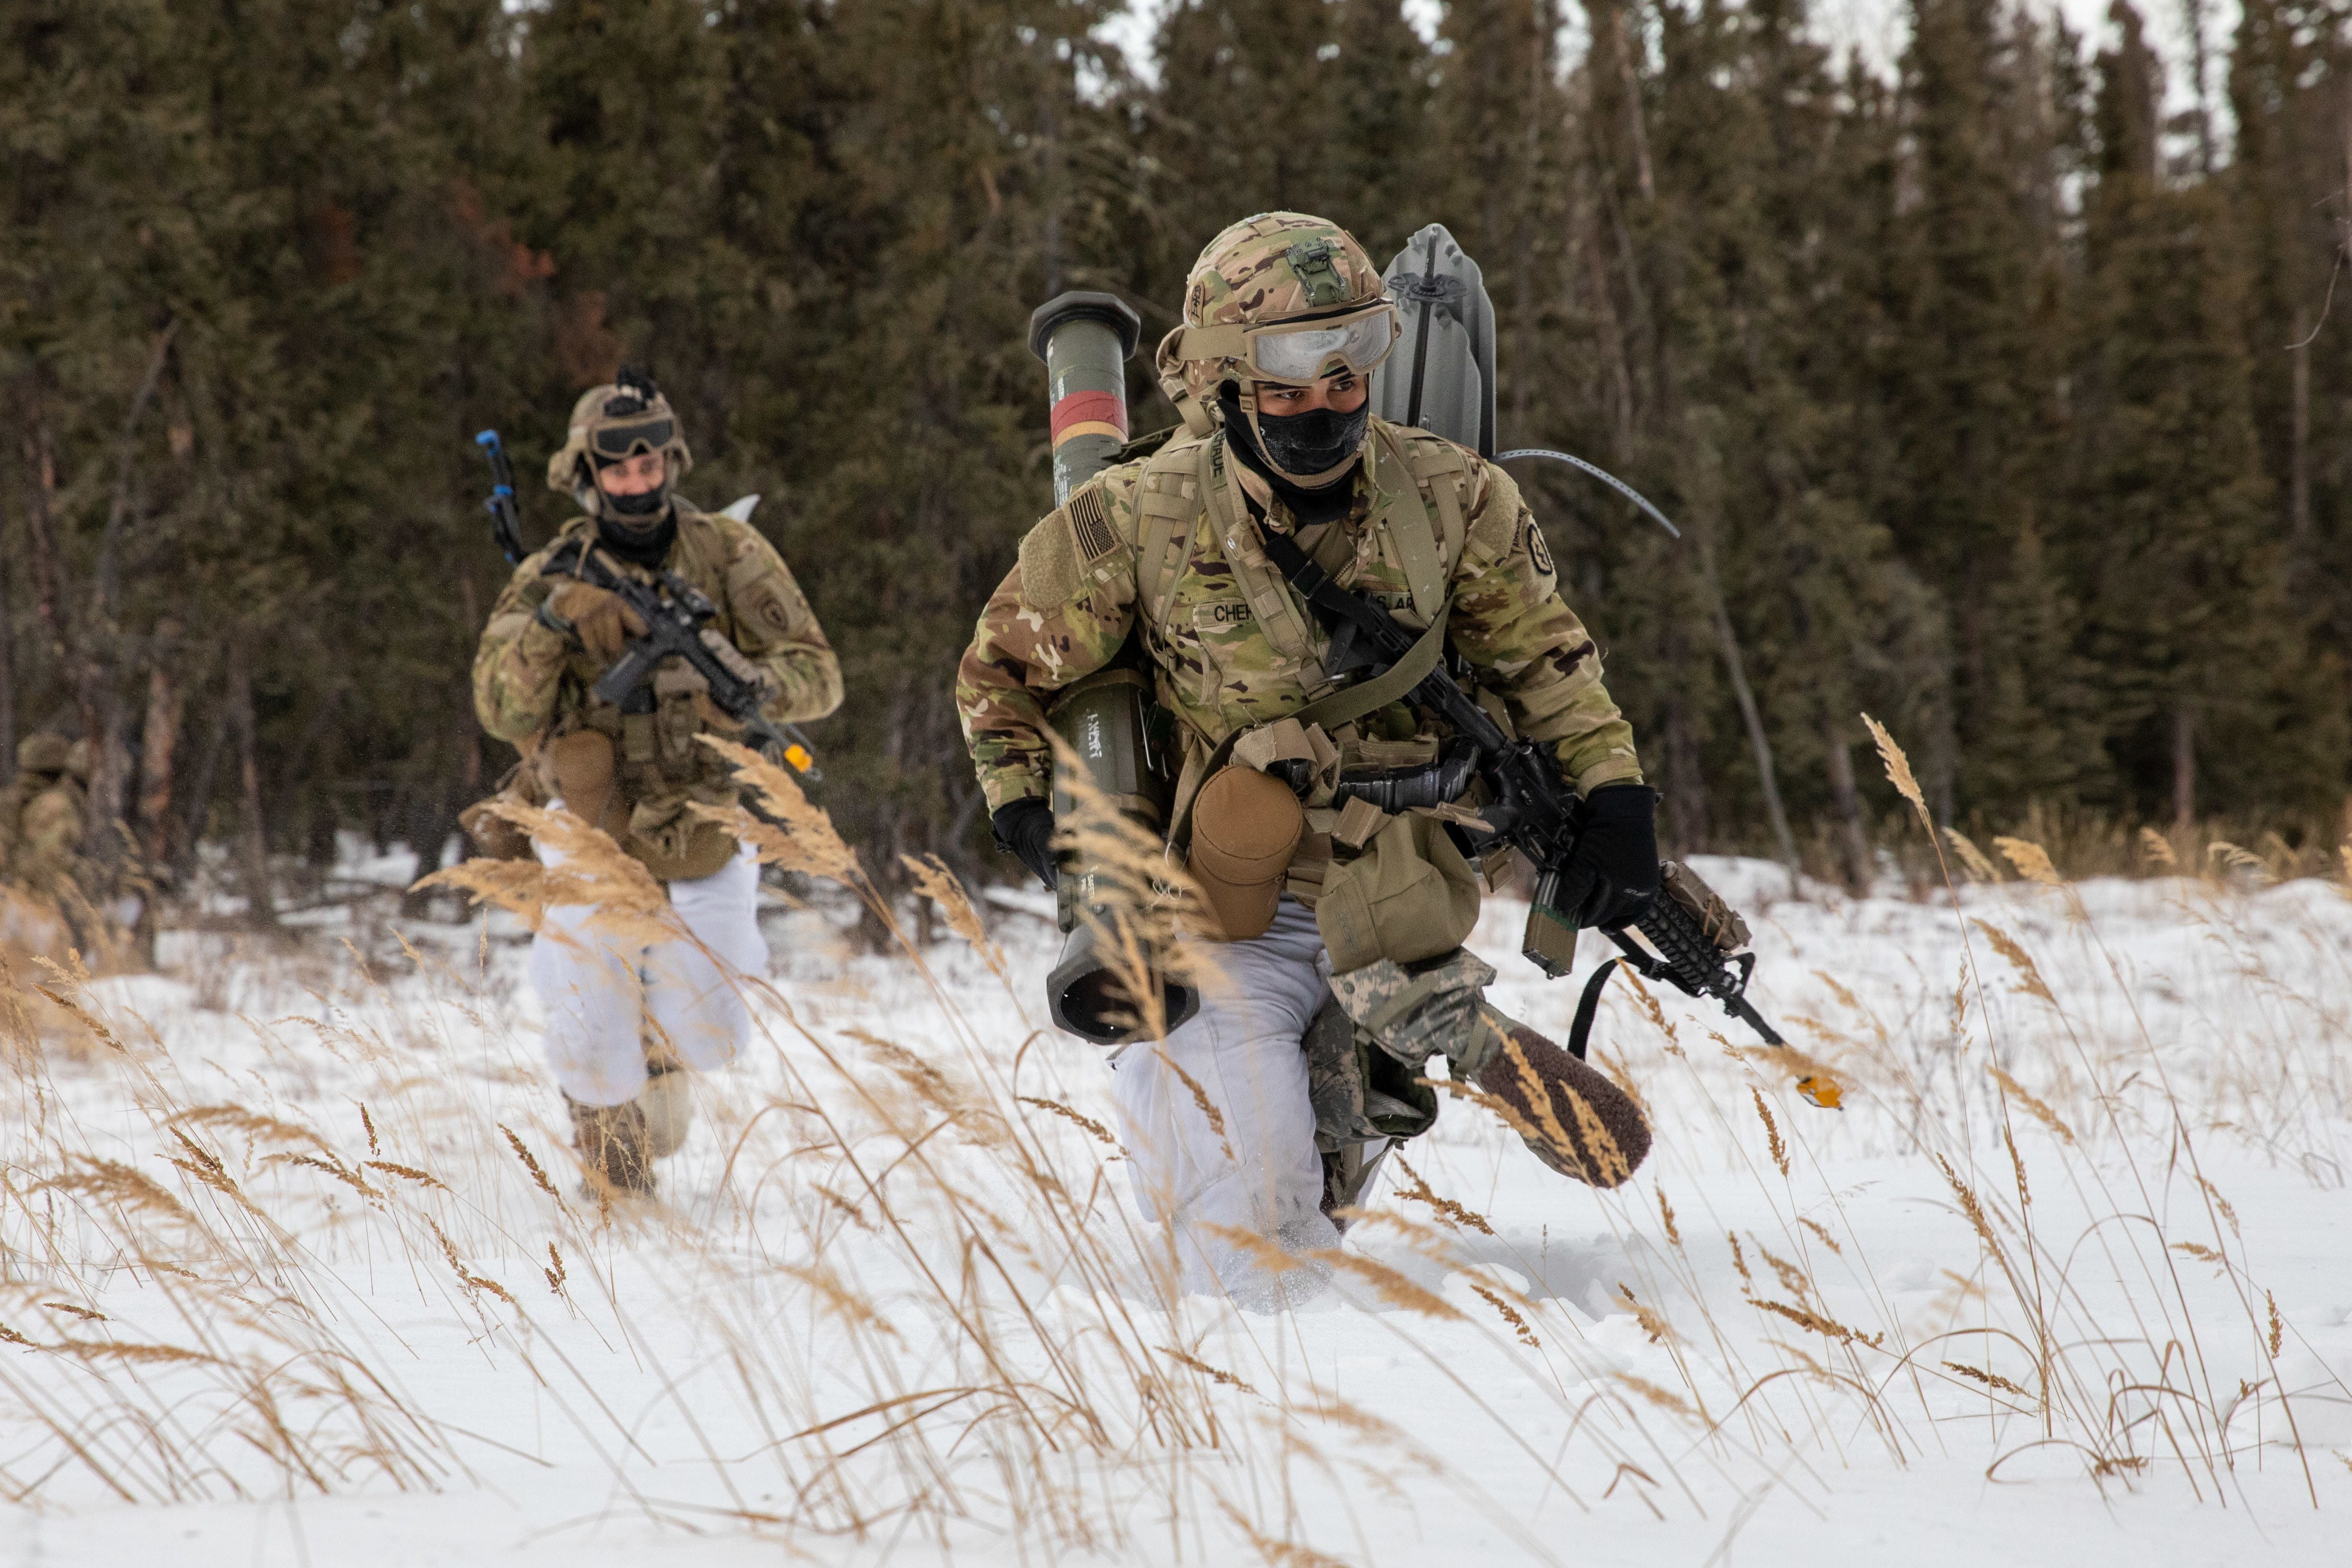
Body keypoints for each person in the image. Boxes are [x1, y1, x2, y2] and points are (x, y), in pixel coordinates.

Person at [957, 213, 1655, 1305]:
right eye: (1287, 382)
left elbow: (1551, 666)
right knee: (1253, 1237)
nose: (1325, 404)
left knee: (1302, 1185)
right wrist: (1029, 812)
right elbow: (1001, 677)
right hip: (1227, 900)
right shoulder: (1135, 518)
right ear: (1224, 383)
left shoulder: (1457, 498)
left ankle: (1389, 1039)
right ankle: (1388, 1063)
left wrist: (1615, 795)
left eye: (1351, 368)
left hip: (1402, 886)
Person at [473, 369, 842, 1193]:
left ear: (670, 462)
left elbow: (820, 675)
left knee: (712, 1030)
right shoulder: (550, 573)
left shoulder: (728, 553)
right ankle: (610, 1163)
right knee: (582, 1000)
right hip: (587, 819)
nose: (636, 485)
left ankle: (659, 1061)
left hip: (703, 813)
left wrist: (745, 685)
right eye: (618, 471)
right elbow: (499, 706)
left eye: (649, 468)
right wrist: (551, 625)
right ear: (587, 474)